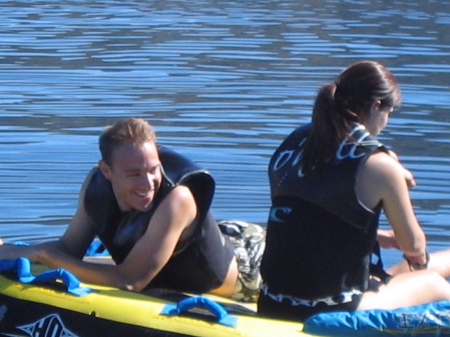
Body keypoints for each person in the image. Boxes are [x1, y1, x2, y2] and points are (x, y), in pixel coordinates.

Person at [257, 61, 450, 321]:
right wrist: (396, 179)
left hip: (270, 301)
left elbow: (296, 216)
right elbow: (414, 247)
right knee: (432, 282)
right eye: (388, 112)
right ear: (376, 106)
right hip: (328, 312)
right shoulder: (381, 166)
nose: (385, 122)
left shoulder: (297, 140)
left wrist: (375, 235)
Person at [0, 118, 264, 301]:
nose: (148, 183)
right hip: (199, 238)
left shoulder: (177, 200)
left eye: (153, 170)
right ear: (107, 170)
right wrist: (9, 250)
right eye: (134, 174)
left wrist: (45, 255)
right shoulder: (96, 185)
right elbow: (69, 249)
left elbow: (129, 281)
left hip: (247, 267)